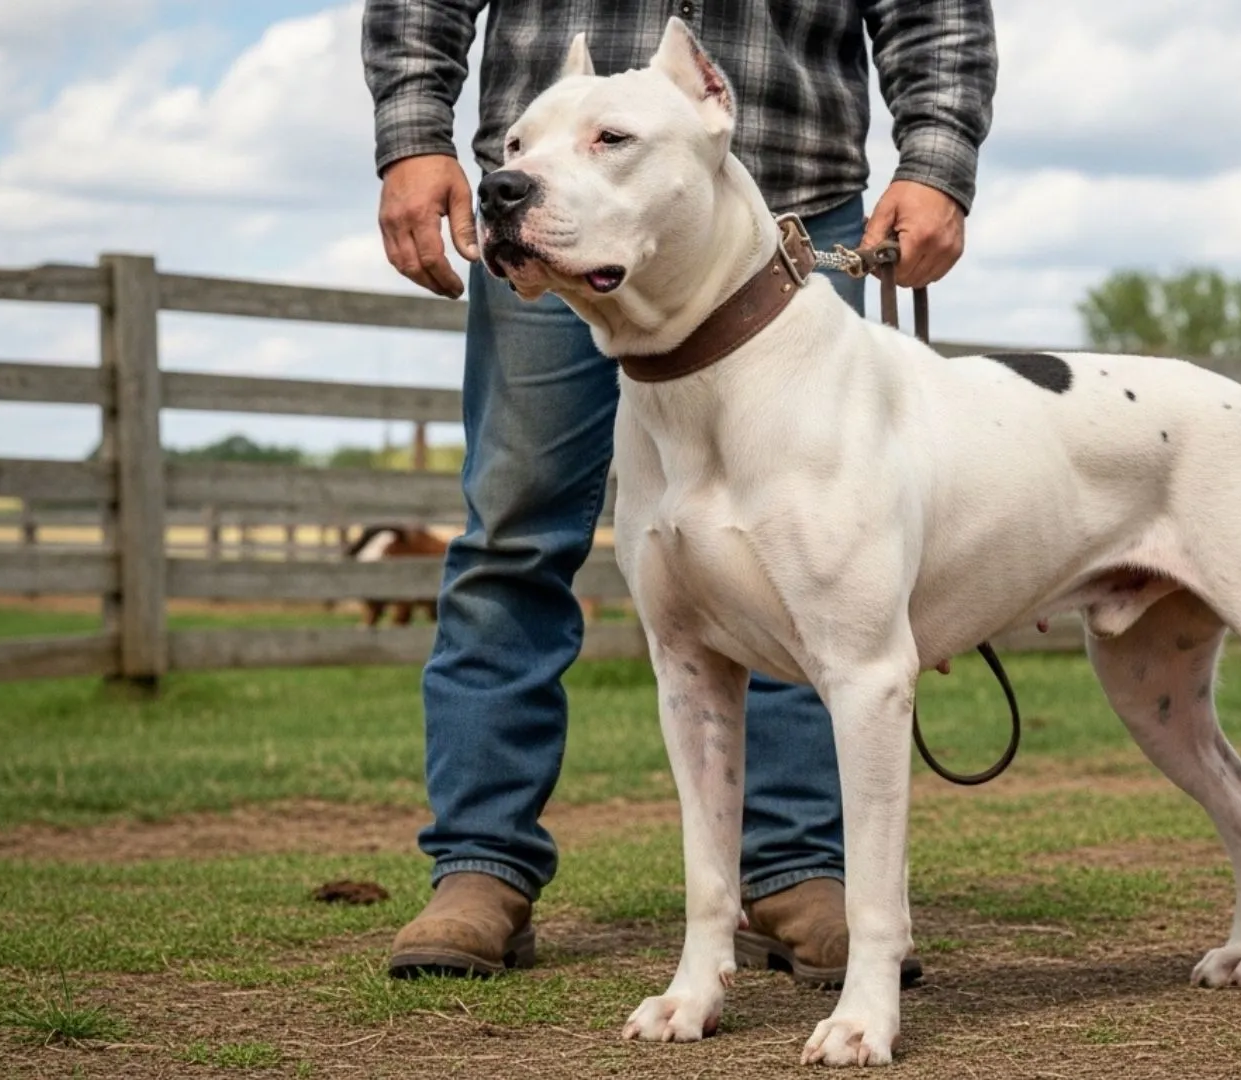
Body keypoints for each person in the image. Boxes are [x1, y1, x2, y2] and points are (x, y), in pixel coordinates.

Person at [361, 2, 997, 985]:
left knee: (813, 562)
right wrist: (412, 135)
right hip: (548, 194)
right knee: (514, 530)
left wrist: (938, 156)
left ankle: (795, 869)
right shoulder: (533, 162)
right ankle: (480, 865)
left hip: (789, 179)